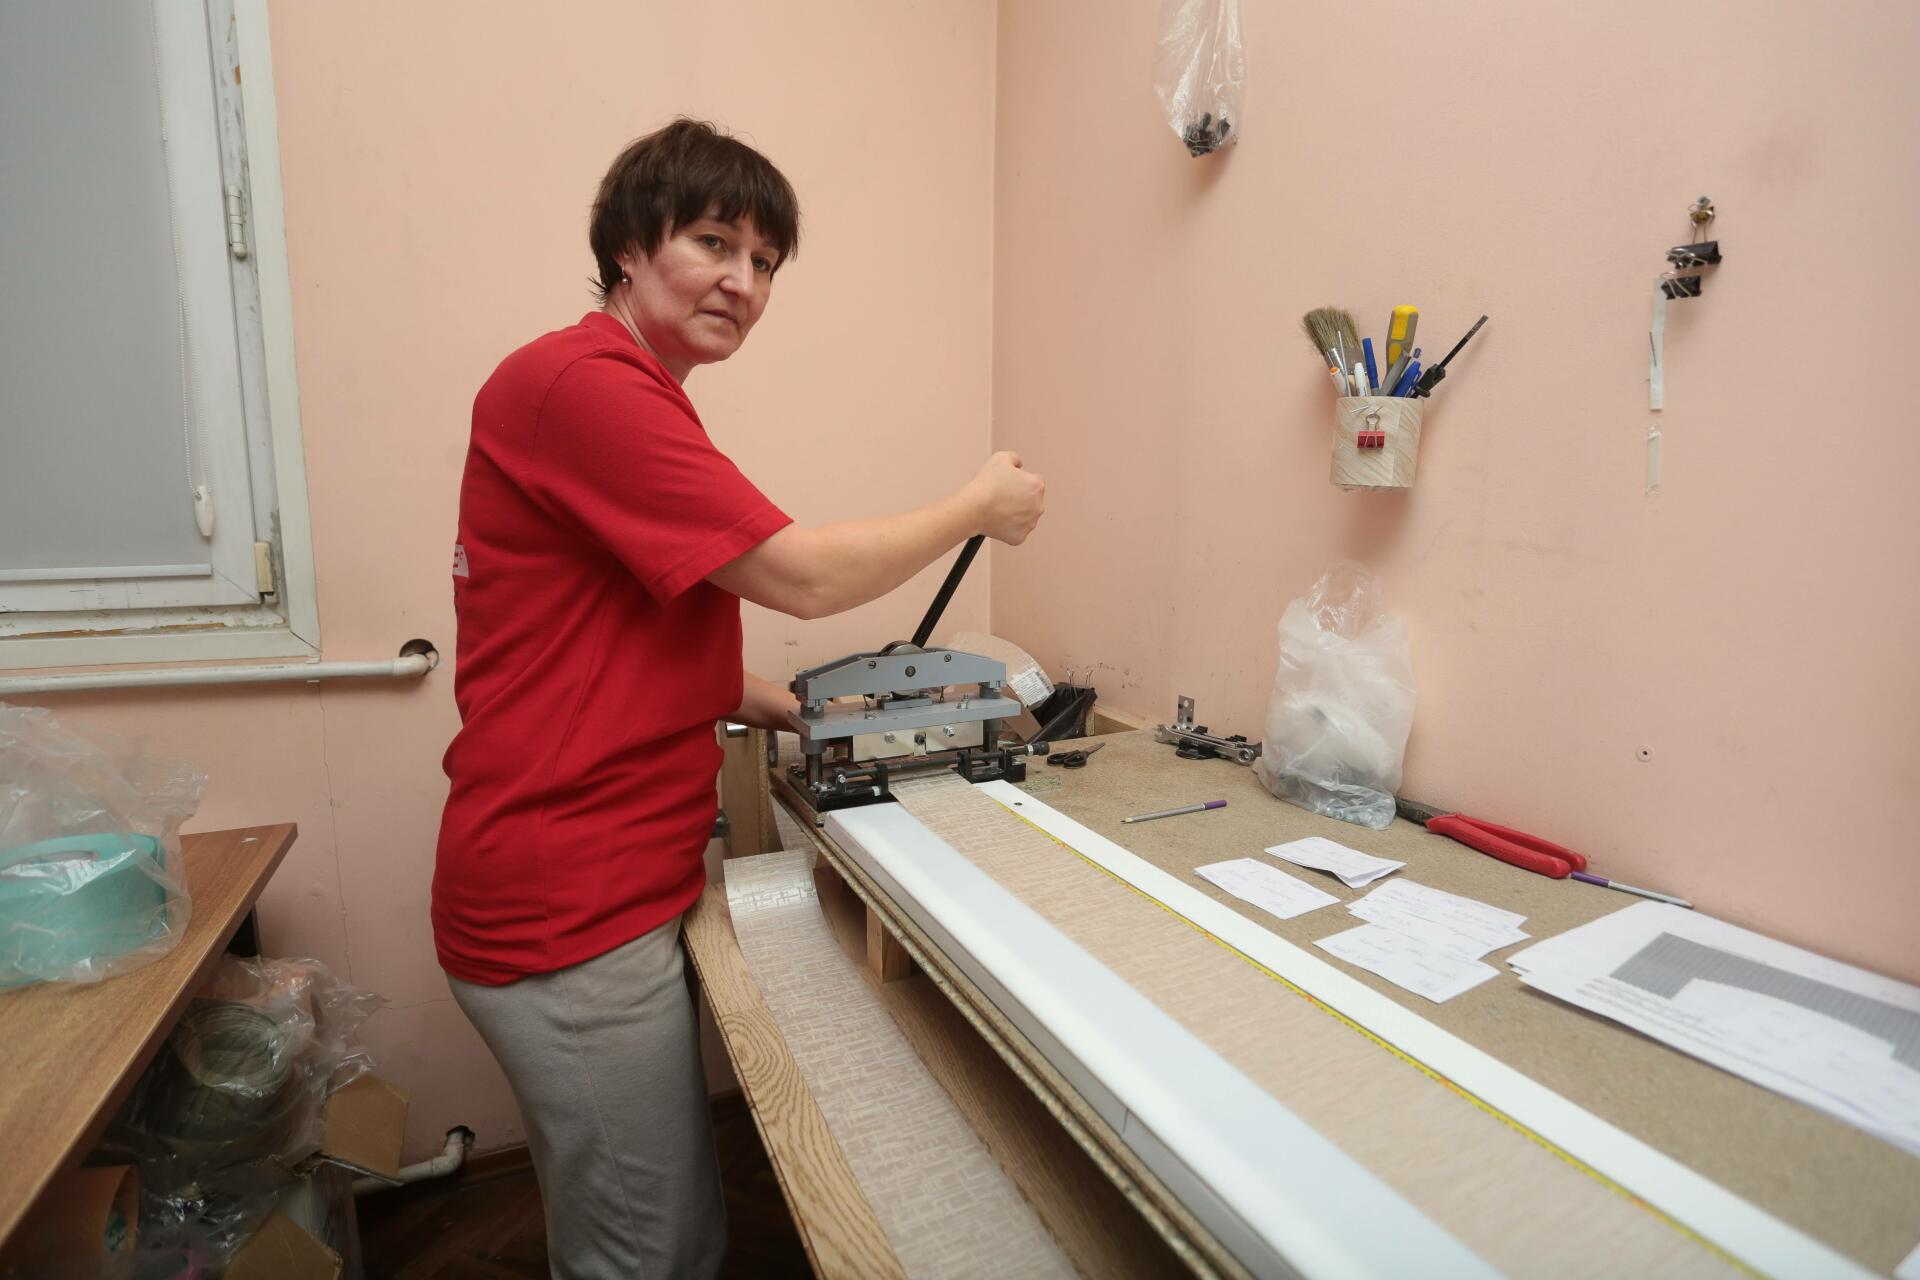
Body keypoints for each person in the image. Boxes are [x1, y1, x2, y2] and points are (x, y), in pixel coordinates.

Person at [431, 117, 1045, 1280]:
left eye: (764, 261)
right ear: (627, 248)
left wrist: (788, 704)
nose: (744, 283)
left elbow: (624, 638)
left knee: (629, 1219)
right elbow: (801, 575)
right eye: (714, 243)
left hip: (590, 879)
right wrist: (976, 507)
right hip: (569, 903)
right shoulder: (582, 386)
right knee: (653, 1249)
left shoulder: (624, 389)